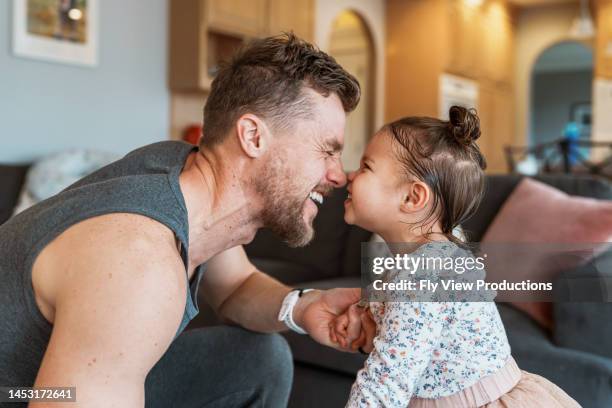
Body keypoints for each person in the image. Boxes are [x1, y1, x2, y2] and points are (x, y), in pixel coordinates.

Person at [0, 34, 374, 407]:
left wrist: (303, 307)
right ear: (253, 137)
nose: (338, 175)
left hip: (53, 384)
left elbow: (236, 288)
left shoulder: (185, 179)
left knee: (256, 360)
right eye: (326, 151)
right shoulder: (138, 265)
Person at [330, 106, 581, 407]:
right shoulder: (433, 253)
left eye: (365, 167)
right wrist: (366, 318)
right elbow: (418, 330)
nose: (348, 175)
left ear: (412, 197)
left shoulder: (425, 274)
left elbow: (384, 383)